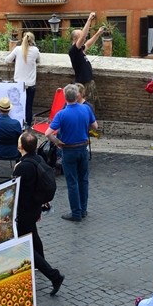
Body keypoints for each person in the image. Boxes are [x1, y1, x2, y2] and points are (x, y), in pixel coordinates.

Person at [14, 131, 64, 296]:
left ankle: (53, 275)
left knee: (24, 246)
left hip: (24, 210)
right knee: (33, 237)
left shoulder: (23, 166)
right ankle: (40, 263)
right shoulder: (38, 159)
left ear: (21, 146)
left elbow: (15, 191)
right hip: (34, 208)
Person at [45, 83, 96, 221]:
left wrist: (57, 142)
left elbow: (48, 133)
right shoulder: (86, 109)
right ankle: (83, 209)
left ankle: (76, 212)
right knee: (83, 180)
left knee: (72, 181)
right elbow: (95, 126)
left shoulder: (62, 114)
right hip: (83, 148)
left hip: (69, 150)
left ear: (65, 97)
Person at [68, 12, 104, 108]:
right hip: (82, 84)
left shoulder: (80, 49)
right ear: (76, 39)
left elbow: (88, 44)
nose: (83, 38)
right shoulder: (73, 50)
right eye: (81, 37)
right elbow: (84, 37)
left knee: (90, 106)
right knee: (84, 106)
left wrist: (98, 34)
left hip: (88, 83)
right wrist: (89, 19)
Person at [5, 31, 40, 126]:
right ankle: (28, 123)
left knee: (17, 104)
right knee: (28, 105)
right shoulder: (35, 50)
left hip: (19, 83)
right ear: (32, 40)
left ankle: (17, 122)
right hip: (30, 83)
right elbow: (39, 60)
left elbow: (7, 60)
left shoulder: (17, 49)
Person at [0, 96, 22, 182]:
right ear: (9, 110)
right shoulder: (16, 123)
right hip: (13, 152)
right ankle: (17, 169)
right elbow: (20, 136)